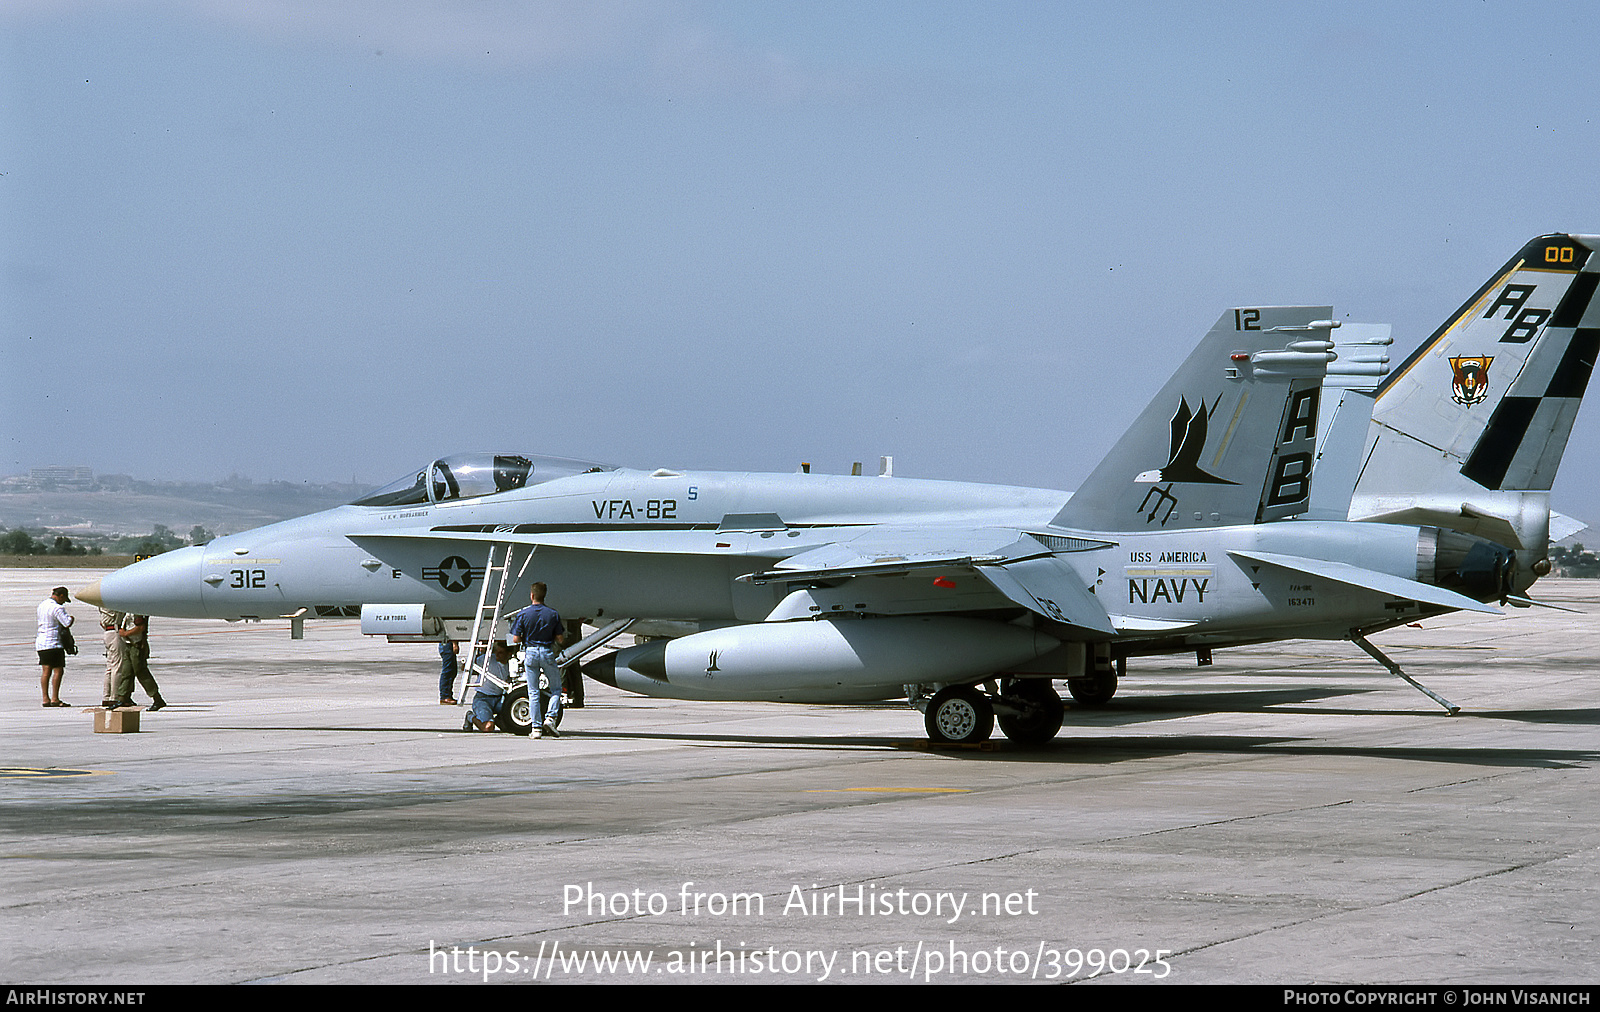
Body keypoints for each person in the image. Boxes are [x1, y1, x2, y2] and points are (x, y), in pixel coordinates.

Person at [509, 582, 565, 738]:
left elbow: (515, 639)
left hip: (531, 652)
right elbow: (560, 638)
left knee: (533, 692)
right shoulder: (552, 614)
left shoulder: (523, 614)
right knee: (556, 689)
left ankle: (536, 728)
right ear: (544, 595)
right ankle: (550, 717)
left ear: (531, 595)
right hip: (546, 652)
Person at [114, 614, 166, 711]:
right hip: (129, 646)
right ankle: (122, 698)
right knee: (126, 673)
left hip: (136, 646)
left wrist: (126, 633)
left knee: (141, 673)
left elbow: (141, 627)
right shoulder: (129, 611)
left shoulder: (136, 611)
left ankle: (157, 698)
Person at [463, 640, 514, 732]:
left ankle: (498, 719)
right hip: (483, 698)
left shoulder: (513, 665)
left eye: (501, 653)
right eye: (496, 652)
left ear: (509, 654)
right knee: (488, 727)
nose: (497, 655)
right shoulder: (486, 659)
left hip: (500, 699)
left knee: (510, 727)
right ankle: (470, 716)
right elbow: (466, 666)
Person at [36, 586, 74, 707]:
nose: (63, 602)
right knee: (58, 670)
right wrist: (72, 618)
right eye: (64, 599)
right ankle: (55, 698)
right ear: (61, 596)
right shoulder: (57, 608)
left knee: (46, 671)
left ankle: (45, 698)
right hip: (54, 642)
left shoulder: (42, 605)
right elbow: (67, 622)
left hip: (42, 642)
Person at [99, 607, 127, 709]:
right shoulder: (113, 602)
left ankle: (106, 697)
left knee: (110, 667)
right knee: (117, 666)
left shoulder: (102, 604)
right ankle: (114, 697)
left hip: (107, 631)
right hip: (115, 631)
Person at [438, 639, 459, 705]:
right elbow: (451, 632)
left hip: (446, 644)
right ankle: (445, 696)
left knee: (452, 671)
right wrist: (454, 644)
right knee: (448, 671)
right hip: (447, 644)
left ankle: (447, 695)